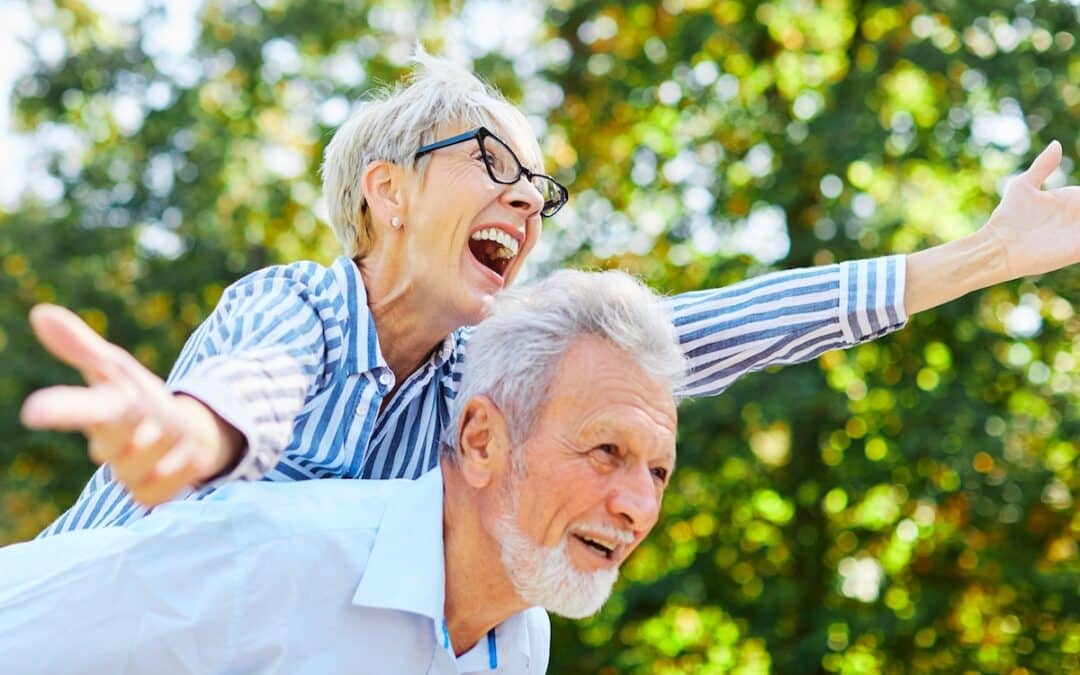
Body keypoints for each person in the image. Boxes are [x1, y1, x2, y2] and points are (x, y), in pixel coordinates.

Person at [23, 52, 1079, 536]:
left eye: (541, 189)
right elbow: (247, 388)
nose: (527, 201)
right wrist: (190, 434)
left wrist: (985, 256)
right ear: (387, 192)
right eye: (494, 164)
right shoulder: (293, 306)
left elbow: (715, 330)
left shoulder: (481, 379)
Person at [0, 270, 685, 674]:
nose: (637, 505)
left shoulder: (522, 635)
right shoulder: (266, 555)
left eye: (658, 470)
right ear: (481, 440)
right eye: (606, 452)